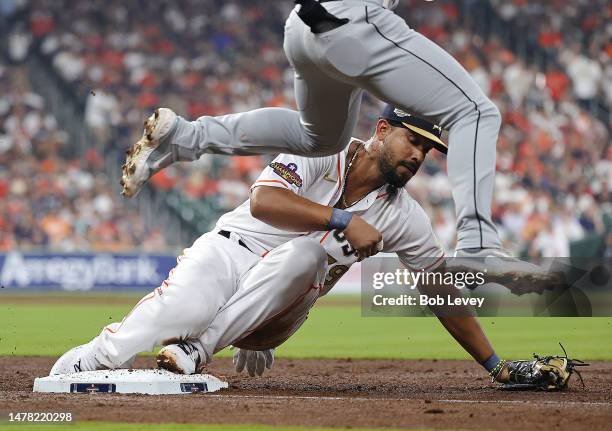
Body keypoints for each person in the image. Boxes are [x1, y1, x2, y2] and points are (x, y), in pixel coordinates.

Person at [54, 107, 579, 389]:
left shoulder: (405, 217)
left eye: (429, 149)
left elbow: (439, 290)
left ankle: (200, 348)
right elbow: (262, 202)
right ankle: (89, 361)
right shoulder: (320, 152)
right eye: (414, 140)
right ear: (381, 130)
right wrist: (342, 218)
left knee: (308, 254)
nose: (421, 155)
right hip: (232, 248)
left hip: (283, 304)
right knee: (178, 306)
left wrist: (496, 365)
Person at [121, 0, 505, 261]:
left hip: (305, 28)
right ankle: (478, 246)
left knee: (320, 139)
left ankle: (187, 137)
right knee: (475, 112)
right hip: (355, 24)